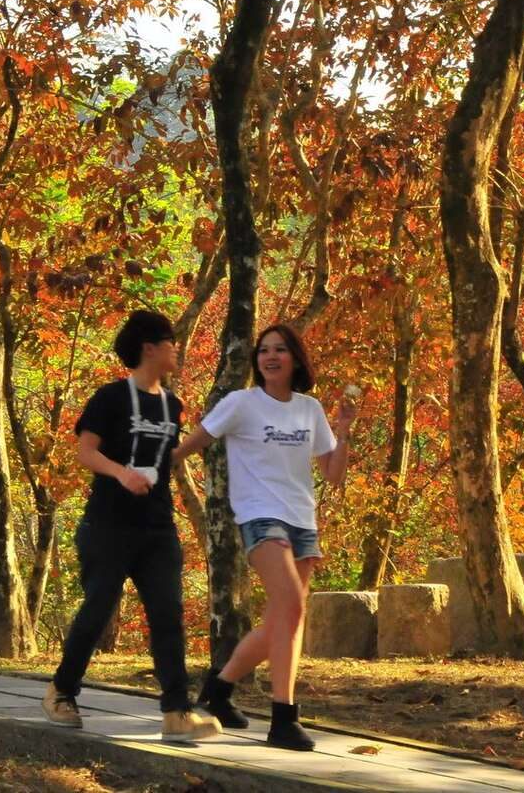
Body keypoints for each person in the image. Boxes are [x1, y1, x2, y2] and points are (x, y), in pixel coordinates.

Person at [172, 322, 355, 751]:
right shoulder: (242, 403)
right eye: (263, 350)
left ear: (295, 359)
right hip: (259, 516)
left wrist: (343, 430)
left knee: (280, 619)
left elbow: (334, 474)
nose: (269, 357)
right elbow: (195, 442)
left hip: (302, 521)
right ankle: (283, 718)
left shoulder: (309, 409)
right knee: (291, 608)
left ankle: (217, 693)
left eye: (280, 350)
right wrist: (155, 465)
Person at [40, 310, 222, 743]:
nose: (177, 349)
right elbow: (85, 452)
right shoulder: (111, 398)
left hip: (157, 528)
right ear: (149, 348)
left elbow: (166, 458)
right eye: (171, 342)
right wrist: (122, 473)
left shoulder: (172, 406)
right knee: (98, 608)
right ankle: (61, 691)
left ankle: (178, 712)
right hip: (108, 524)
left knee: (167, 615)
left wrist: (202, 441)